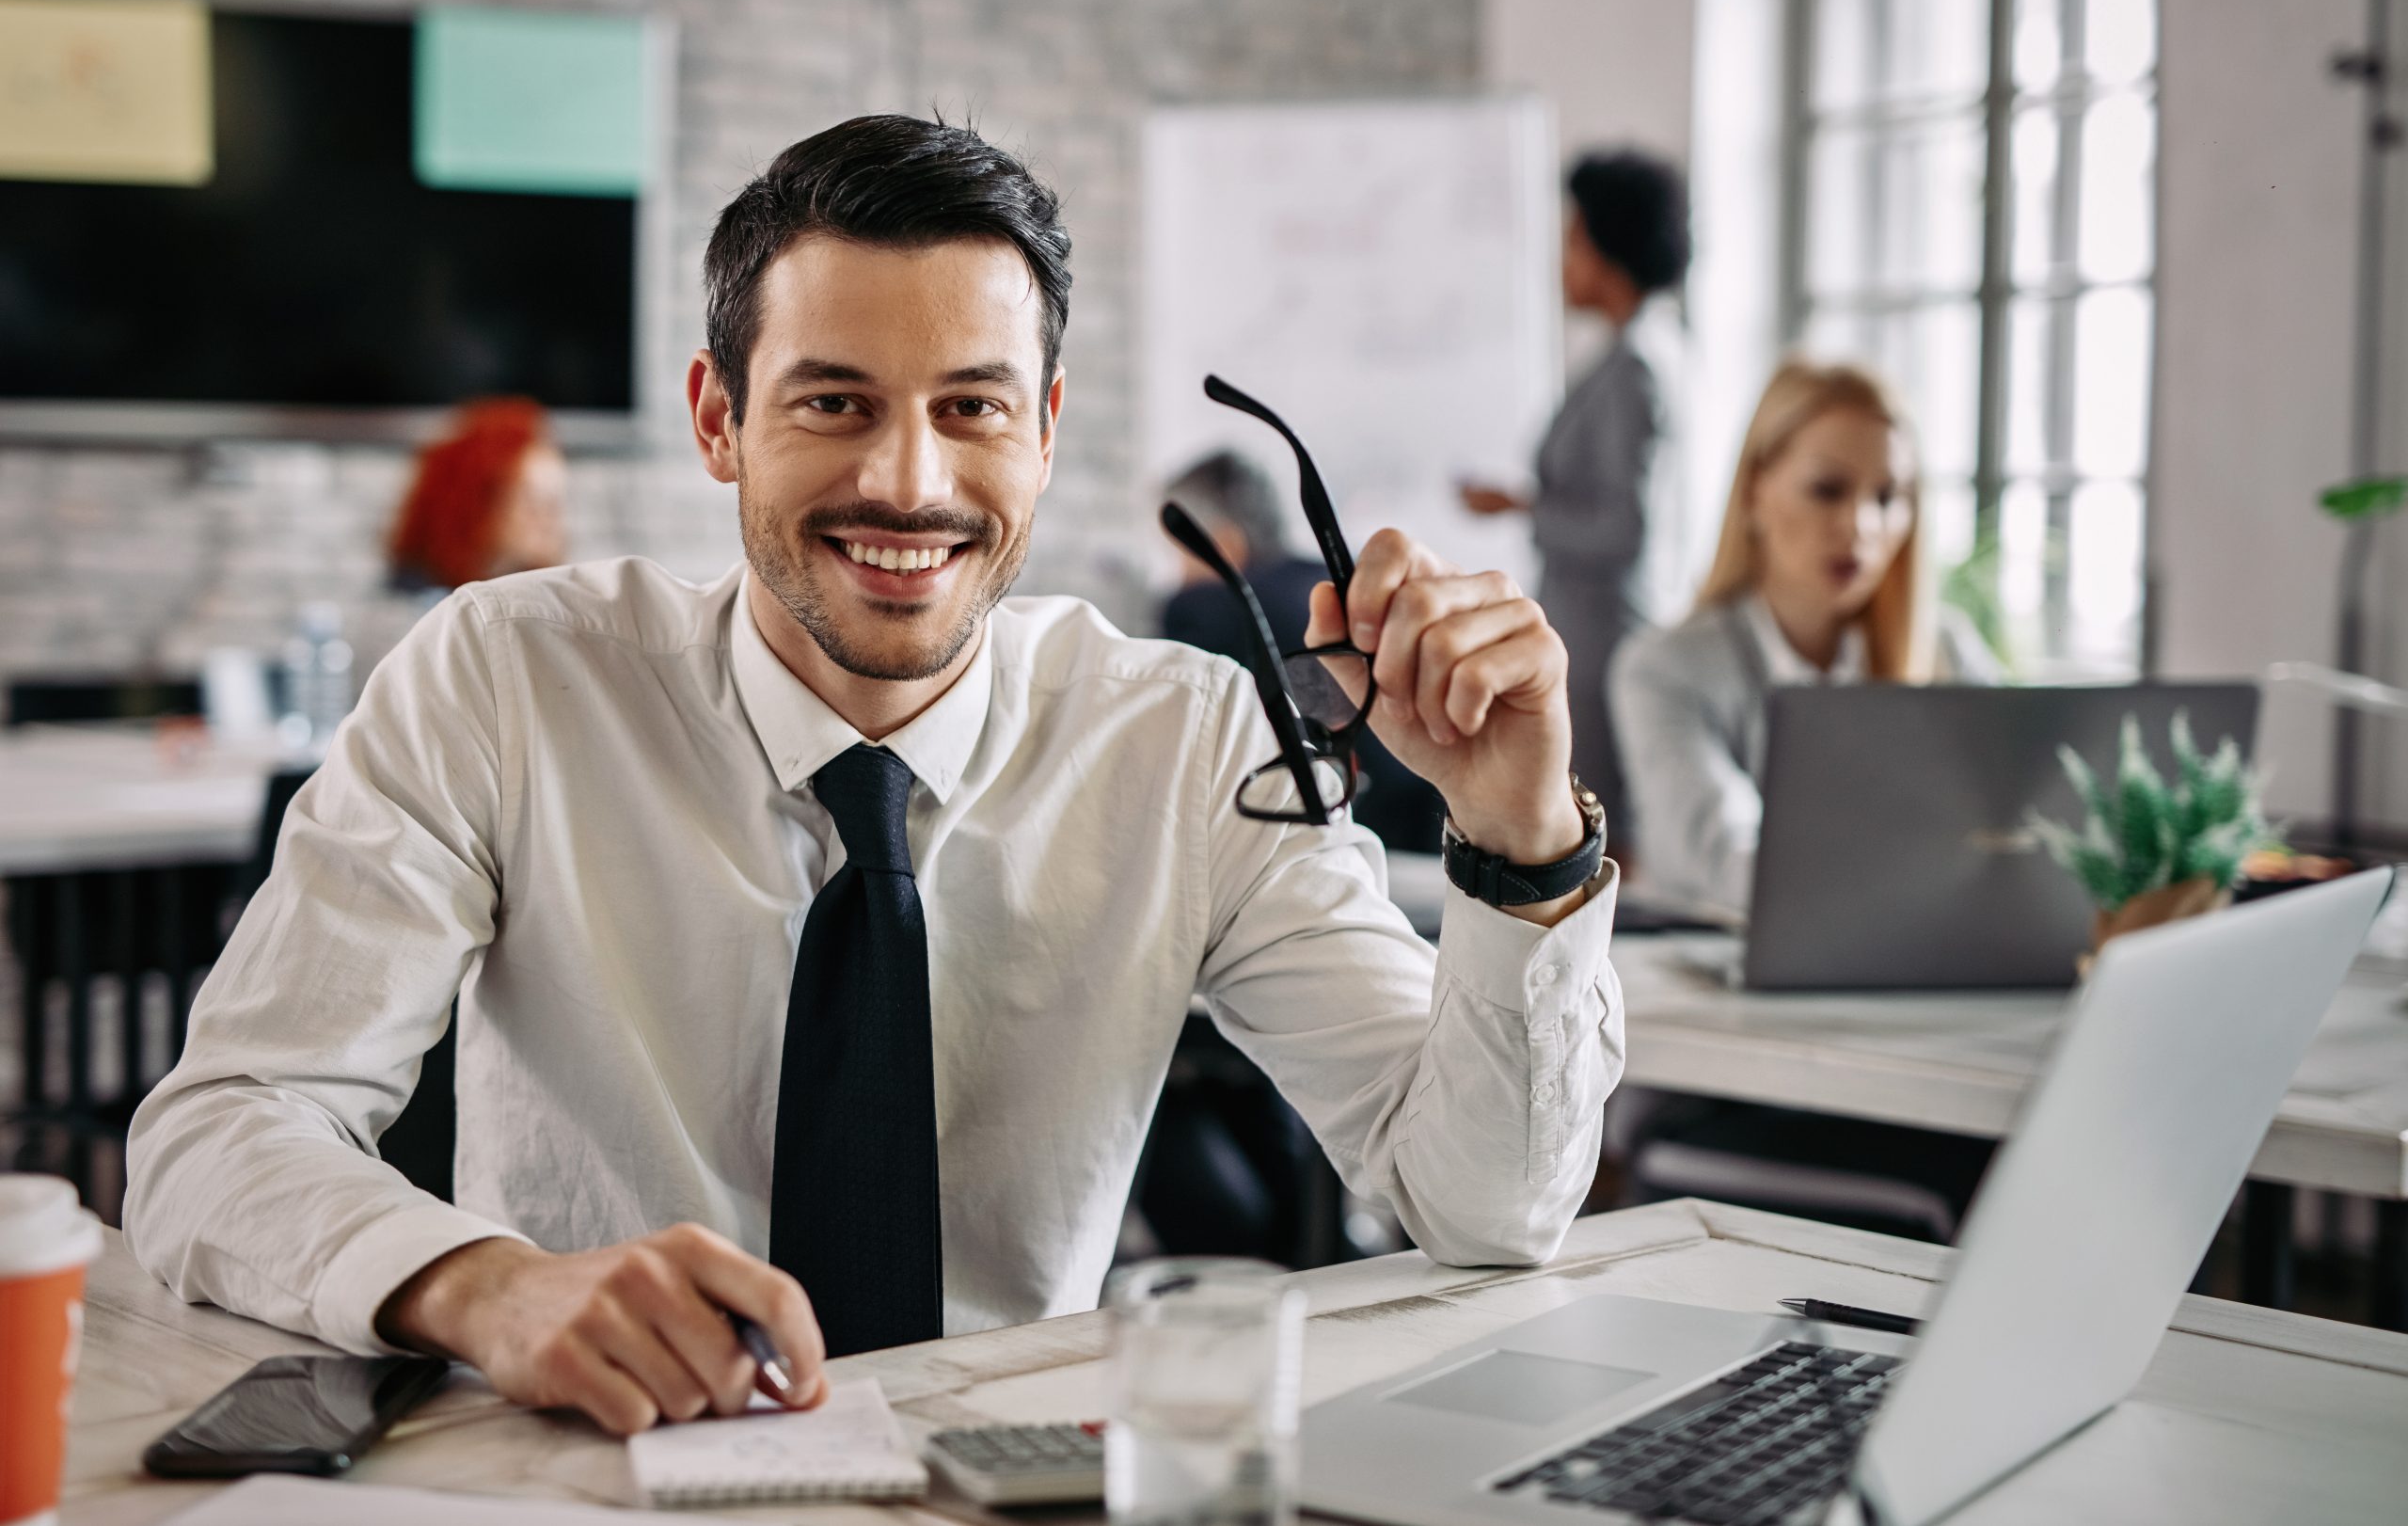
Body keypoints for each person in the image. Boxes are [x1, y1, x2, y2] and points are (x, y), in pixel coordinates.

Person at [126, 116, 1624, 1439]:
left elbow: (1487, 1207)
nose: (909, 480)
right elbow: (217, 1132)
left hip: (1014, 1482)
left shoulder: (1185, 741)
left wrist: (1519, 832)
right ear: (720, 418)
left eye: (972, 404)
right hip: (590, 1462)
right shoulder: (506, 679)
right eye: (835, 400)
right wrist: (491, 1289)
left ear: (1043, 430)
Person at [1609, 358, 1998, 915]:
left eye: (1887, 497)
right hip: (1716, 989)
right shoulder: (1662, 670)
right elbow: (1724, 854)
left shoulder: (1949, 653)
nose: (1861, 526)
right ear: (1753, 493)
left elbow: (2018, 825)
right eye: (1828, 489)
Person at [1460, 150, 1690, 857]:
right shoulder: (1652, 350)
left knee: (1590, 834)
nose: (1562, 259)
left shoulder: (1635, 369)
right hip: (1601, 627)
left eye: (1573, 238)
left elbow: (1624, 528)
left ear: (1608, 244)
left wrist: (1524, 509)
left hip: (1600, 640)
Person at [1162, 452, 1446, 853]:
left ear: (1224, 543)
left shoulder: (1208, 606)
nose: (1176, 575)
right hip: (1433, 823)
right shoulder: (1326, 583)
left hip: (1347, 836)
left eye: (1178, 556)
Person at [388, 397, 569, 593]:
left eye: (554, 504)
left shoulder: (549, 599)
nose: (548, 522)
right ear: (479, 502)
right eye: (530, 503)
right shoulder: (419, 597)